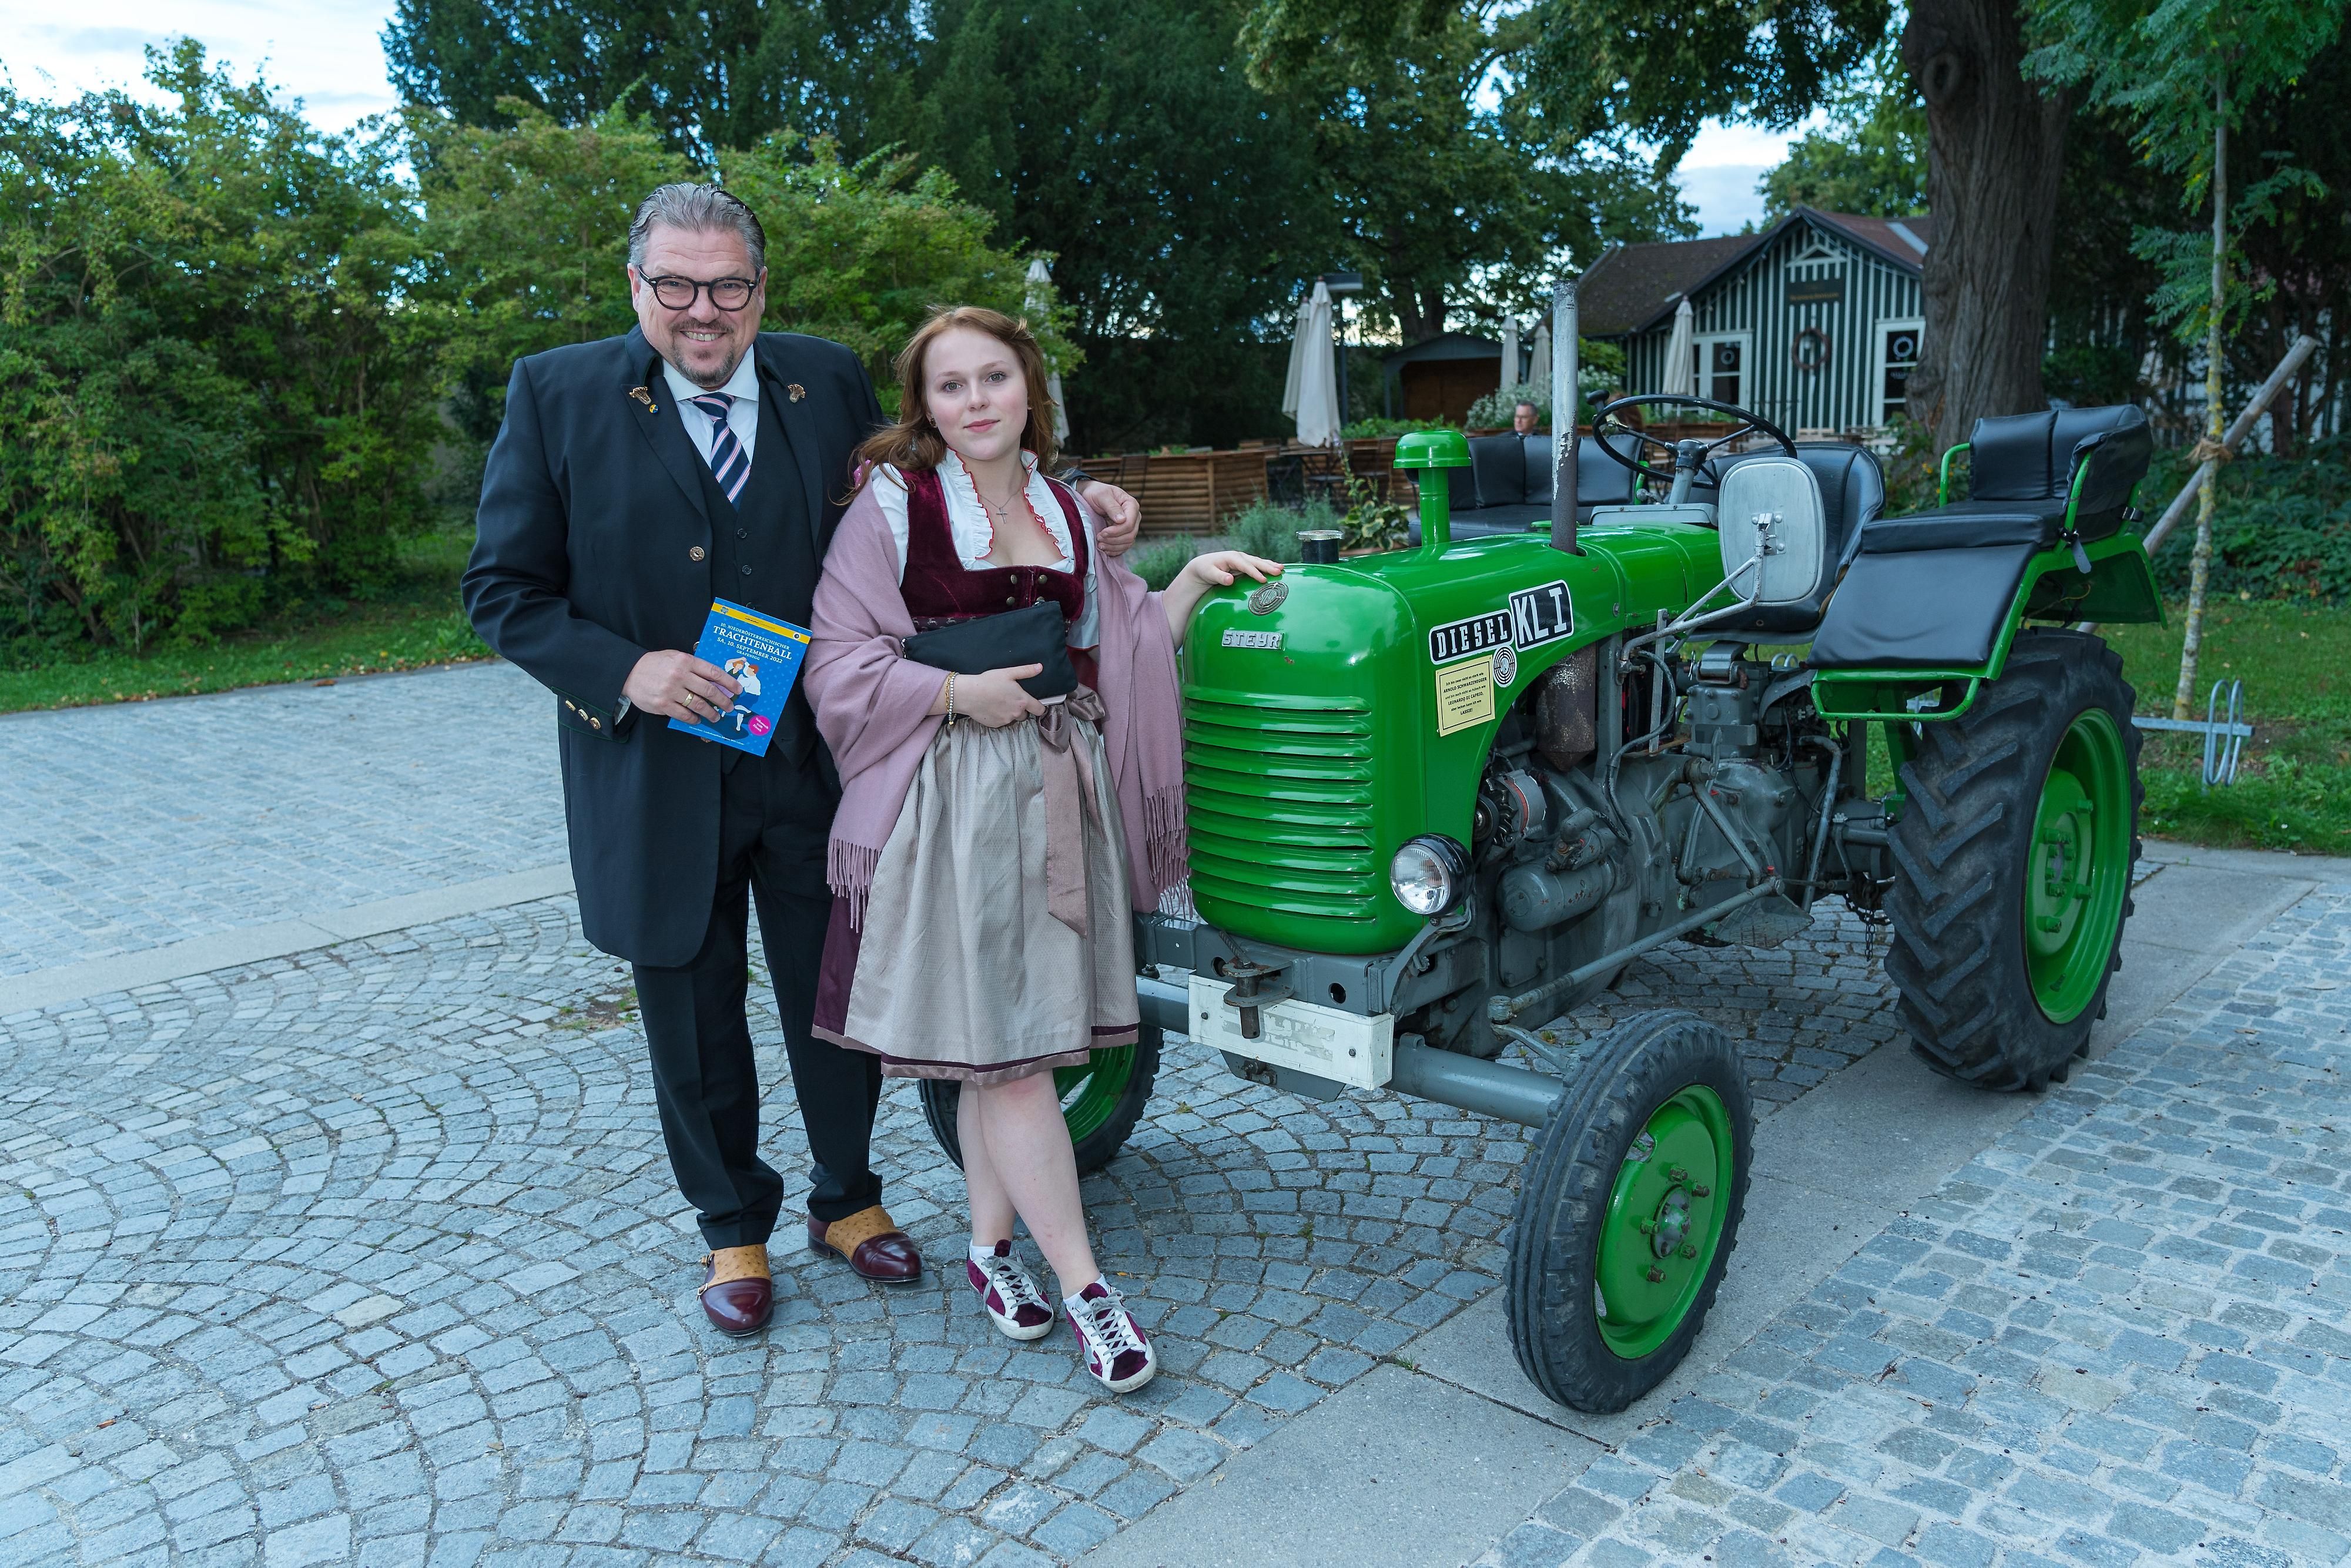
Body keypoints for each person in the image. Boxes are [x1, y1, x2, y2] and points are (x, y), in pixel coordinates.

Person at [464, 185, 1142, 1339]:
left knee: (839, 994)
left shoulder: (821, 378)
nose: (701, 311)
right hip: (654, 769)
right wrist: (626, 668)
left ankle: (850, 1196)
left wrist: (1074, 504)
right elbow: (501, 591)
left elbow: (925, 495)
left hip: (818, 757)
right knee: (688, 1002)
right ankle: (731, 1222)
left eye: (727, 285)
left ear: (759, 288)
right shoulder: (556, 394)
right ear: (636, 286)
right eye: (674, 285)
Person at [803, 307, 1280, 1393]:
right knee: (1016, 1061)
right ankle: (1087, 1289)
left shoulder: (1070, 511)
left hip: (1060, 792)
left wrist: (1195, 580)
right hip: (949, 808)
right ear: (924, 406)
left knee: (997, 1052)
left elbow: (1122, 644)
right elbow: (836, 661)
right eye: (950, 386)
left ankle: (984, 1250)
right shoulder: (894, 511)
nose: (975, 402)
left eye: (994, 379)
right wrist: (950, 691)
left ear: (1031, 391)